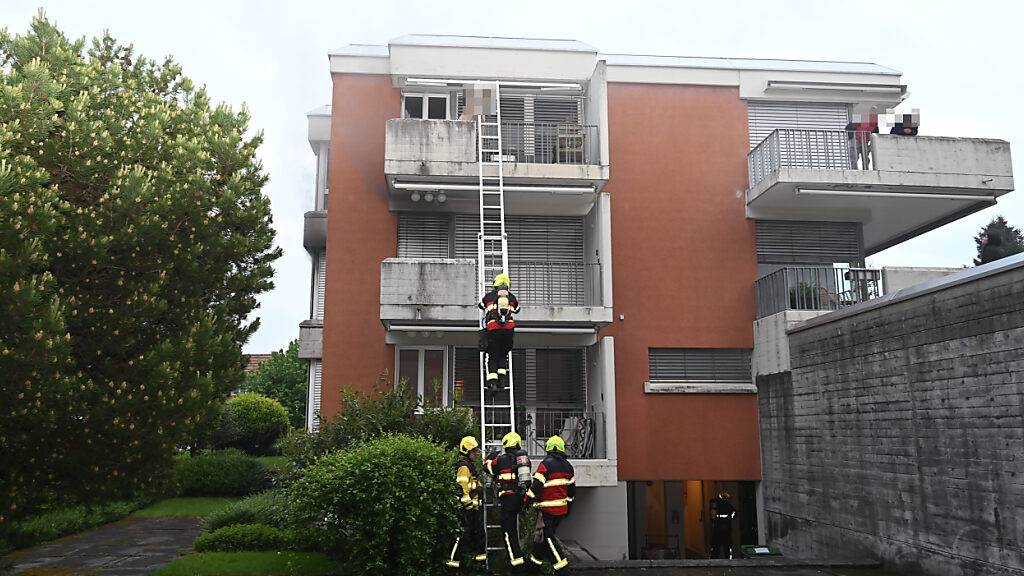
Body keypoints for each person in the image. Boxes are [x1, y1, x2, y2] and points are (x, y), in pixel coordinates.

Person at [526, 435, 575, 573]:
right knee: (539, 544)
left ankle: (563, 570)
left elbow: (535, 487)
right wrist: (568, 510)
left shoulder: (545, 465)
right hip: (560, 512)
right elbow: (571, 493)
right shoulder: (568, 467)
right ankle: (532, 569)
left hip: (547, 511)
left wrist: (526, 502)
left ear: (547, 449)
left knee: (548, 540)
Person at [485, 432, 532, 573]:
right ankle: (521, 562)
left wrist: (490, 457)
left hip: (508, 500)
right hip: (520, 499)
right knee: (514, 532)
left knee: (507, 533)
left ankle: (516, 567)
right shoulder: (523, 458)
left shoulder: (500, 460)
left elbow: (487, 468)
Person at [447, 436, 487, 570]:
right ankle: (453, 565)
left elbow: (473, 485)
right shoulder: (463, 467)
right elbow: (462, 488)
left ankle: (478, 565)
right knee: (462, 536)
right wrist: (468, 506)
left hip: (473, 509)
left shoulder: (469, 466)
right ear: (467, 451)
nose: (475, 454)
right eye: (474, 451)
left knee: (479, 536)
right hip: (467, 510)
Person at [480, 273, 520, 395]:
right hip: (508, 330)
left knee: (492, 357)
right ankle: (502, 381)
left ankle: (493, 384)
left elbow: (481, 306)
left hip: (493, 329)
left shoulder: (489, 296)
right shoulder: (512, 298)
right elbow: (517, 309)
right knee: (503, 355)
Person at [709, 490, 737, 559]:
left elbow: (734, 513)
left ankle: (727, 560)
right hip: (719, 528)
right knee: (716, 546)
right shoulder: (716, 503)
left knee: (726, 546)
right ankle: (714, 560)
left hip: (724, 528)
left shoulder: (727, 504)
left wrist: (731, 517)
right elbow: (712, 514)